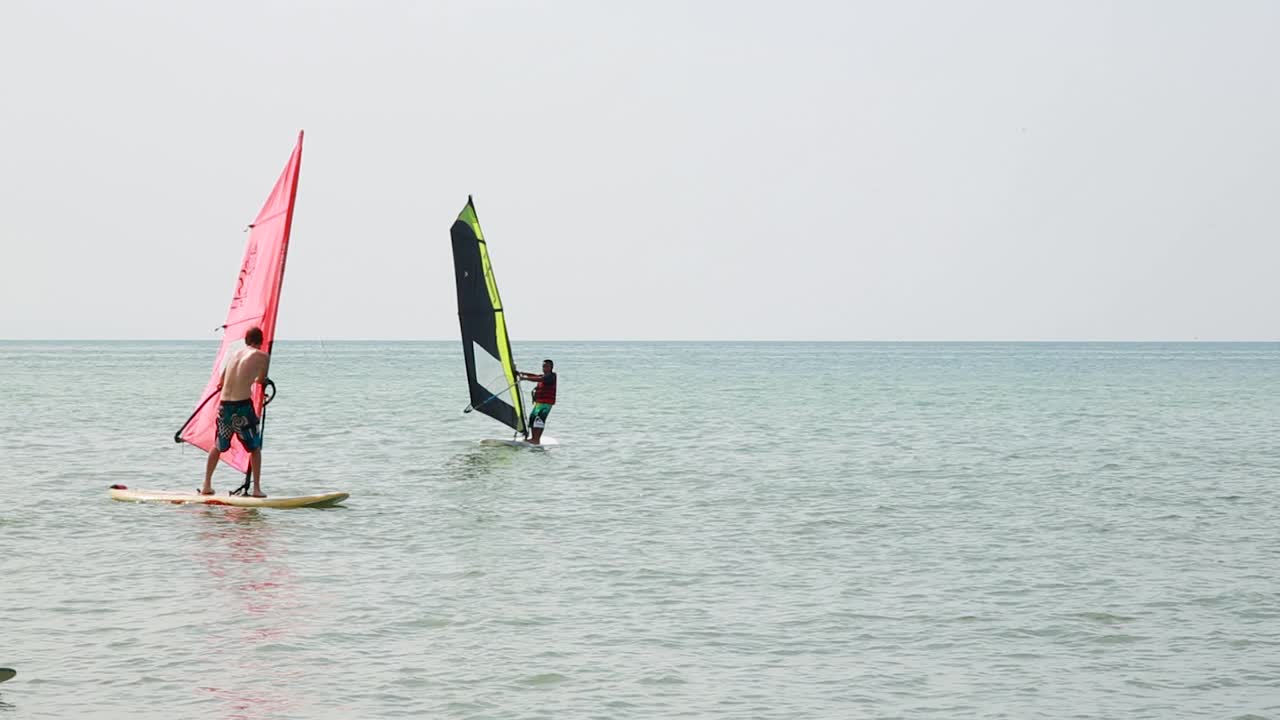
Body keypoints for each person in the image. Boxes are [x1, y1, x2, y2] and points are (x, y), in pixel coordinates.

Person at [200, 326, 269, 497]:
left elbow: (222, 381)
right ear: (261, 341)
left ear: (246, 341)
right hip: (242, 407)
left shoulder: (233, 355)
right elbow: (261, 380)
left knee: (218, 446)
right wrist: (262, 382)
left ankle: (206, 485)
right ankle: (257, 489)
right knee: (254, 447)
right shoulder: (262, 356)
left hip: (224, 407)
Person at [517, 359, 557, 444]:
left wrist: (524, 378)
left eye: (546, 366)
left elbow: (539, 379)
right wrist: (522, 373)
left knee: (539, 420)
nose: (544, 368)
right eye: (543, 366)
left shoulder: (551, 377)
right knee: (532, 417)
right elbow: (535, 376)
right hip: (539, 402)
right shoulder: (543, 376)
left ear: (551, 368)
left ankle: (536, 439)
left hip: (546, 403)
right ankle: (533, 438)